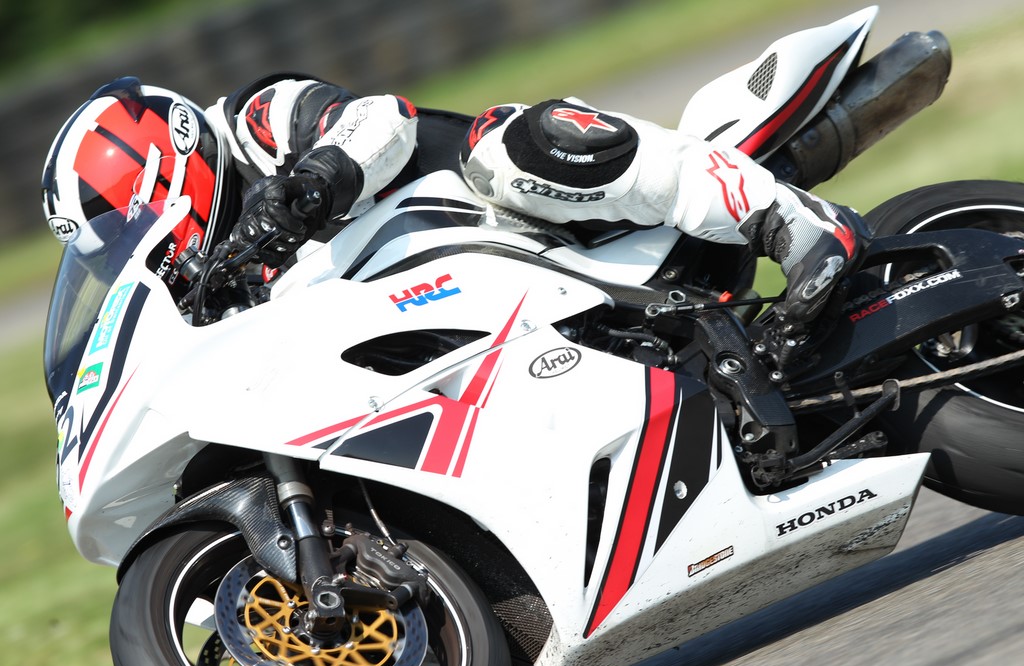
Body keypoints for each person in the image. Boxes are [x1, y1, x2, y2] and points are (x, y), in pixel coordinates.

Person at [40, 75, 860, 334]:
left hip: (523, 217)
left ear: (163, 167)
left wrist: (307, 186)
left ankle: (792, 224)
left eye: (122, 226)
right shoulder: (209, 290)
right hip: (465, 320)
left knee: (506, 149)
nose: (130, 249)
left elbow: (380, 119)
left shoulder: (254, 122)